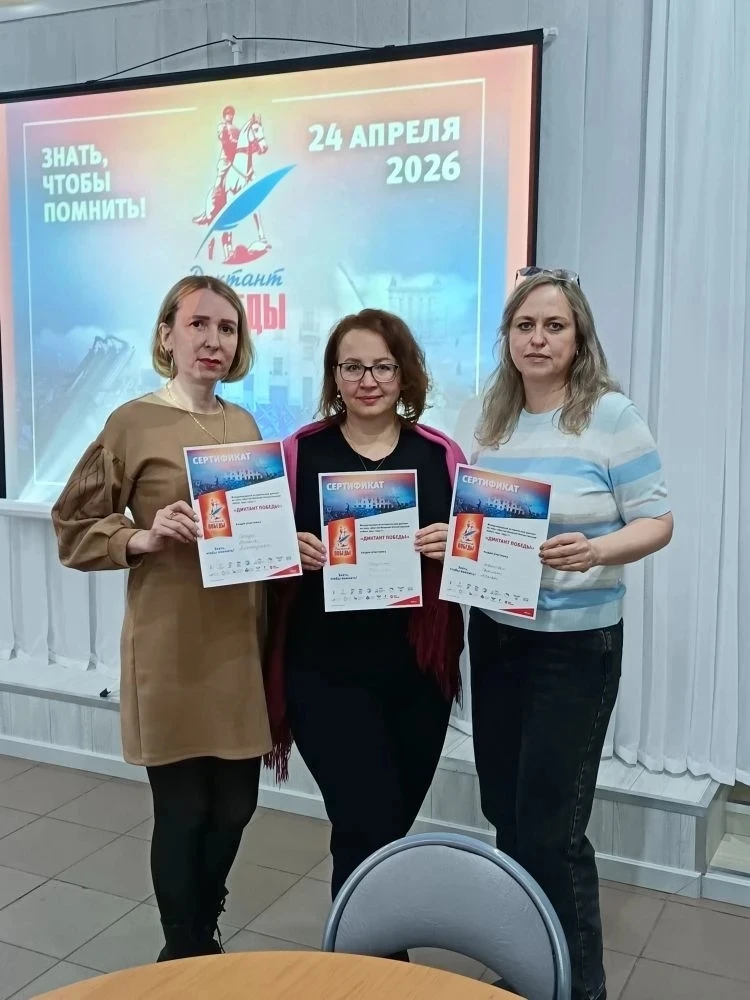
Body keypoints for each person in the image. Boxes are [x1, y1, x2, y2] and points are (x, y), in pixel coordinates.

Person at [51, 275, 271, 962]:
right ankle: (185, 948)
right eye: (198, 323)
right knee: (183, 810)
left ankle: (203, 920)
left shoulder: (245, 426)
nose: (213, 340)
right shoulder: (132, 422)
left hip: (237, 642)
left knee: (235, 806)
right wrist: (140, 536)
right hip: (169, 642)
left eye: (227, 328)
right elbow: (73, 525)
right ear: (166, 335)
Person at [469, 270, 673, 1000]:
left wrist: (596, 550)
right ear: (508, 338)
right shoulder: (494, 420)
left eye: (554, 325)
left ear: (578, 336)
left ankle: (579, 986)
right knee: (506, 812)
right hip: (496, 636)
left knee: (553, 827)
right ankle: (531, 964)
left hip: (573, 647)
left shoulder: (611, 417)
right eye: (525, 326)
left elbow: (658, 521)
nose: (538, 339)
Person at [263, 308, 466, 928]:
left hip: (419, 677)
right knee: (366, 821)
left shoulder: (441, 454)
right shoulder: (298, 452)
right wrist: (287, 549)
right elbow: (255, 549)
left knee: (383, 827)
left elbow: (481, 559)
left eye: (382, 366)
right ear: (334, 375)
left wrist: (456, 546)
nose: (368, 380)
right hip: (325, 673)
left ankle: (360, 954)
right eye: (352, 367)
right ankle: (376, 956)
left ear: (405, 374)